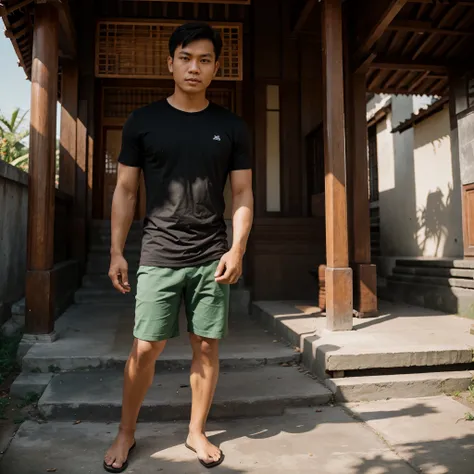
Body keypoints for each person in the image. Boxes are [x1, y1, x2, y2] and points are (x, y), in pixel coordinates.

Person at [103, 22, 254, 473]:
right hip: (159, 252)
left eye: (204, 60)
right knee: (145, 347)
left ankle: (196, 430)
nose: (194, 67)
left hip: (211, 253)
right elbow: (126, 190)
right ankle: (126, 431)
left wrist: (237, 248)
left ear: (216, 68)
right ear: (170, 62)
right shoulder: (143, 121)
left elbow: (243, 195)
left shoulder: (231, 126)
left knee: (206, 346)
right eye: (186, 57)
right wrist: (116, 250)